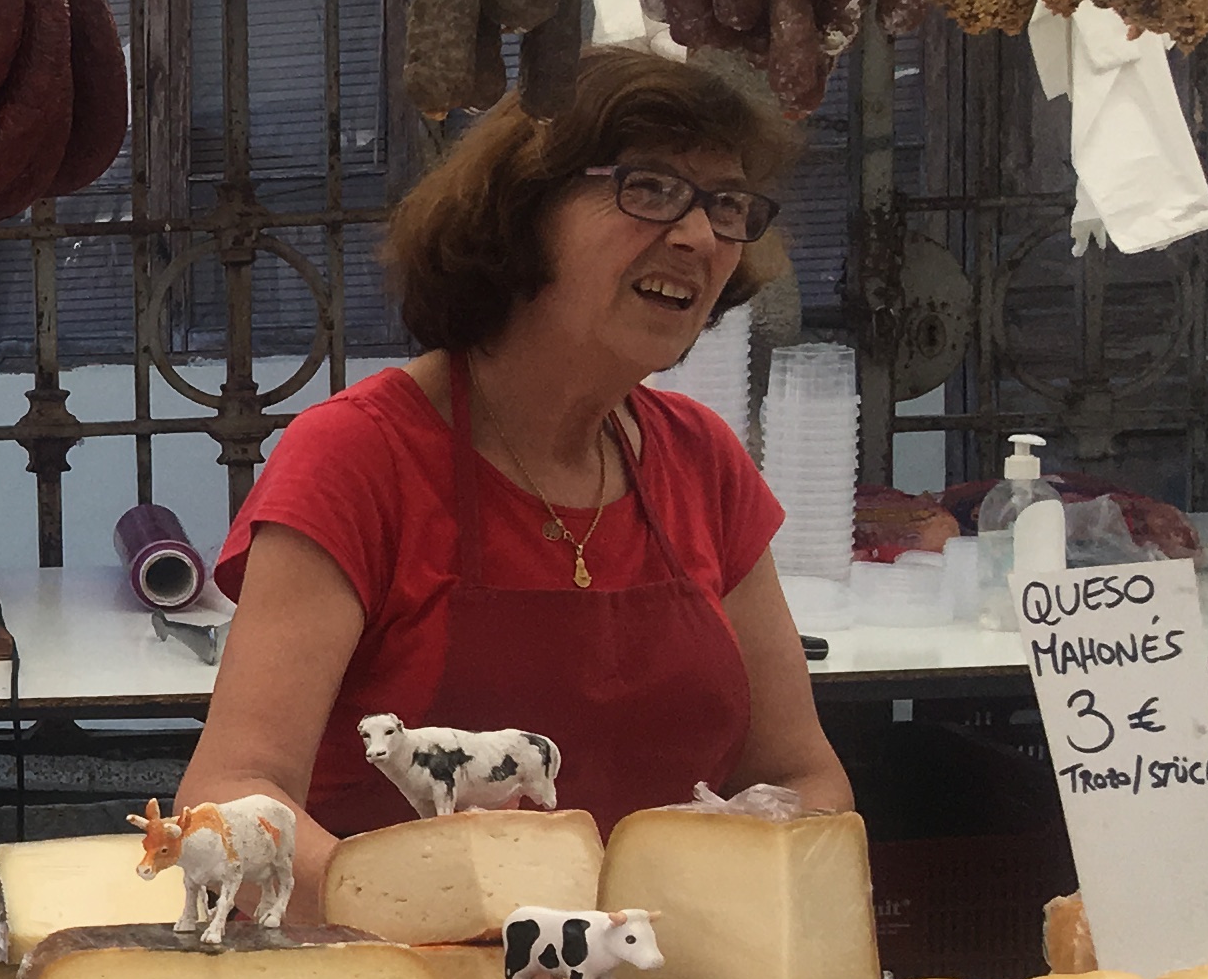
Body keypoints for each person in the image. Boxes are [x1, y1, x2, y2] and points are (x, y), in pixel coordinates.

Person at [175, 48, 850, 900]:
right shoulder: (359, 456)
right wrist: (438, 915)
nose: (698, 236)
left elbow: (804, 777)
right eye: (650, 189)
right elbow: (236, 793)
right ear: (525, 210)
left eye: (726, 205)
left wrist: (735, 872)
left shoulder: (701, 459)